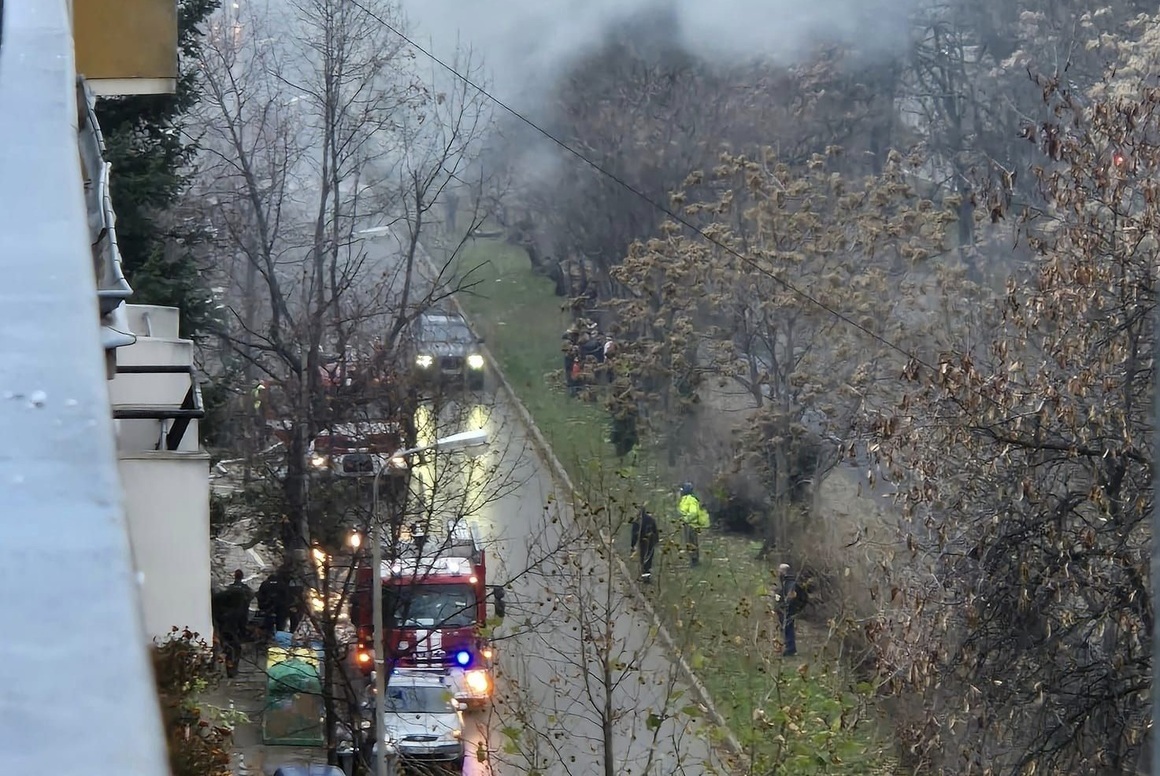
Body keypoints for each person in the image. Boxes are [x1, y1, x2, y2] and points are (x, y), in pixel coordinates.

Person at [776, 563, 809, 657]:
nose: (778, 572)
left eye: (780, 571)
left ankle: (790, 649)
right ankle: (789, 647)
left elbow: (791, 597)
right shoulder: (787, 581)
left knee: (788, 628)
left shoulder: (790, 583)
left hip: (789, 610)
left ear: (784, 572)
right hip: (788, 610)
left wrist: (785, 607)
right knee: (786, 628)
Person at [677, 482, 710, 568]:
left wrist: (686, 519)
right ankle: (692, 559)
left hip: (691, 524)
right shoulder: (685, 499)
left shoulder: (691, 499)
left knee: (692, 542)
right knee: (688, 542)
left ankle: (695, 561)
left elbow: (693, 512)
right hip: (687, 524)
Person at [630, 507, 659, 582]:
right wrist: (656, 541)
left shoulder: (637, 521)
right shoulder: (651, 519)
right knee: (649, 560)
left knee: (642, 559)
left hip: (642, 543)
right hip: (651, 542)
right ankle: (647, 577)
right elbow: (655, 531)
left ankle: (643, 576)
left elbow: (634, 535)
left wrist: (633, 545)